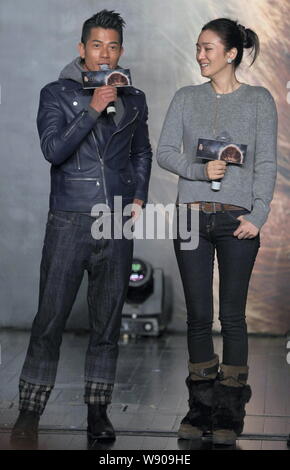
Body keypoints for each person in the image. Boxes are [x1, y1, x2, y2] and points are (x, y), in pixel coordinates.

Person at [11, 9, 152, 446]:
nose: (105, 53)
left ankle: (97, 412)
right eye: (97, 46)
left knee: (107, 326)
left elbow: (141, 152)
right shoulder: (55, 93)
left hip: (116, 221)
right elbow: (54, 150)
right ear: (82, 50)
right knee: (49, 320)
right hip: (70, 219)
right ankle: (29, 413)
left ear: (121, 51)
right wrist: (92, 109)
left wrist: (139, 195)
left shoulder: (136, 98)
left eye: (113, 46)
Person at [157, 18, 277, 445]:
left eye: (208, 48)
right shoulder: (186, 98)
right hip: (191, 216)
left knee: (232, 318)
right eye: (197, 47)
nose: (200, 55)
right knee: (197, 317)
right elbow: (165, 152)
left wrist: (257, 216)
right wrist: (197, 169)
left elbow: (266, 164)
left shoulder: (260, 100)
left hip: (236, 222)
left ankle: (228, 413)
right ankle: (199, 408)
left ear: (231, 54)